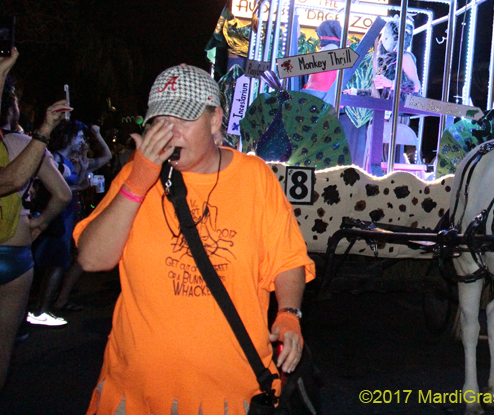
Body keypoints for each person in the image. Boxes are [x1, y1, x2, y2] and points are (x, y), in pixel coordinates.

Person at [74, 64, 315, 415]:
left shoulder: (254, 179)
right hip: (135, 391)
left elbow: (287, 258)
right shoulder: (136, 175)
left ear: (215, 120)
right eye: (160, 121)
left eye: (182, 120)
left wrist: (289, 313)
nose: (169, 134)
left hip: (231, 393)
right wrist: (139, 181)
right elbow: (92, 259)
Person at [0, 49, 72, 389]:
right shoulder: (24, 144)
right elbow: (60, 194)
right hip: (15, 250)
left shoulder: (17, 142)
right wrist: (40, 223)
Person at [29, 120, 111, 321]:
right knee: (55, 262)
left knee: (56, 262)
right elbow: (56, 190)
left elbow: (99, 164)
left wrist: (82, 170)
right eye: (80, 136)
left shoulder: (66, 161)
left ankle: (44, 307)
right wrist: (77, 186)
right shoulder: (54, 159)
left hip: (64, 216)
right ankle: (41, 310)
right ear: (68, 137)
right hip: (55, 217)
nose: (83, 140)